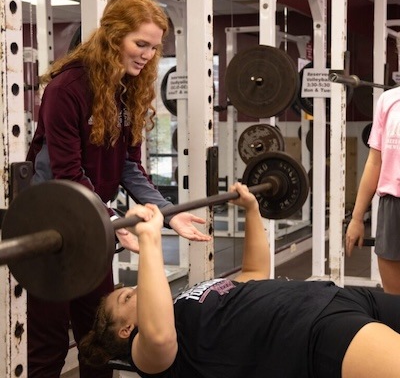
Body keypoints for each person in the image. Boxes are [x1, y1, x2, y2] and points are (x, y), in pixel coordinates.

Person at [25, 0, 210, 378]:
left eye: (154, 47)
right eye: (139, 43)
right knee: (50, 341)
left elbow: (129, 166)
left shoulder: (129, 91)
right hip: (52, 224)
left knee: (101, 333)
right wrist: (110, 218)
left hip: (93, 224)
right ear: (112, 36)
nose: (146, 55)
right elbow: (67, 173)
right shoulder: (66, 90)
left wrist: (168, 214)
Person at [80, 182, 400, 378]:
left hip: (338, 297)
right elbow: (159, 335)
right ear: (125, 330)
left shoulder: (183, 303)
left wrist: (251, 209)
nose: (133, 290)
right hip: (312, 333)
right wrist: (150, 241)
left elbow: (253, 275)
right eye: (125, 299)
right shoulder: (147, 354)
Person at [345, 85, 400, 295]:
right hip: (392, 206)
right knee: (393, 301)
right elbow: (374, 162)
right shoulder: (388, 100)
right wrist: (357, 218)